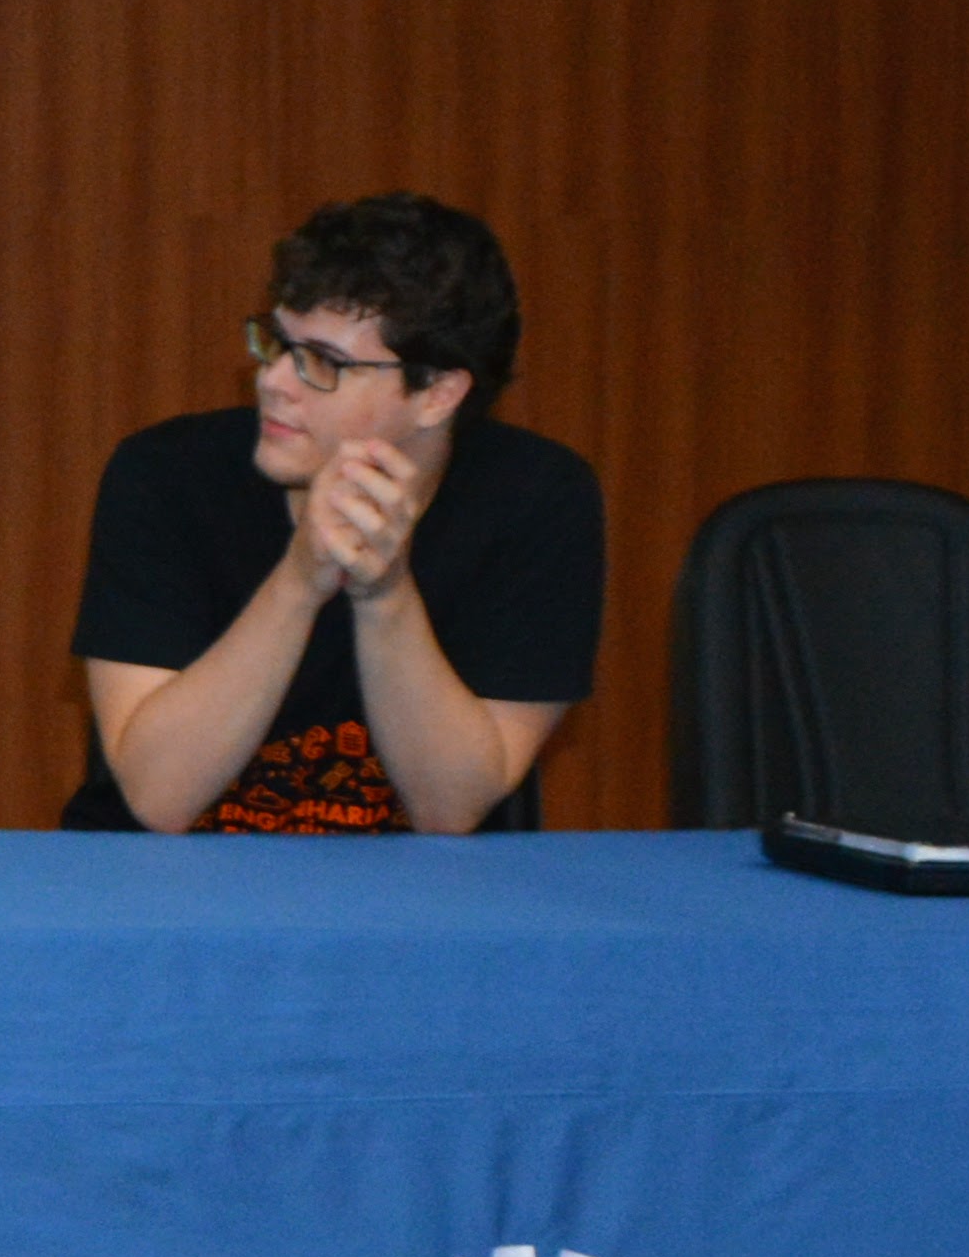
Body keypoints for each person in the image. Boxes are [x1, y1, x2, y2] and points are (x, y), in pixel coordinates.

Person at [69, 192, 599, 835]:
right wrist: (298, 581)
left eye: (325, 362)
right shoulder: (163, 476)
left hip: (426, 908)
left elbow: (450, 810)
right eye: (279, 344)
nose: (274, 382)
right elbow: (158, 798)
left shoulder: (536, 498)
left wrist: (386, 596)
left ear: (437, 393)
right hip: (171, 895)